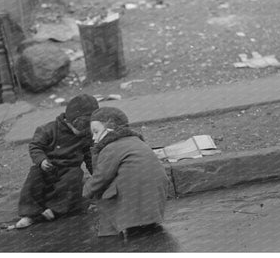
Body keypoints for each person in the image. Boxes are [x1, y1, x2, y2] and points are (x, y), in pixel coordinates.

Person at [83, 107, 170, 238]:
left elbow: (101, 177)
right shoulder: (135, 142)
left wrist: (84, 193)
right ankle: (147, 225)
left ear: (110, 129)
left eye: (96, 132)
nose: (94, 138)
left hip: (134, 197)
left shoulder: (112, 148)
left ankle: (121, 230)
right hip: (152, 199)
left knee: (104, 192)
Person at [15, 94, 99, 229]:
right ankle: (28, 213)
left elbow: (89, 156)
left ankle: (54, 209)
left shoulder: (85, 136)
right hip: (46, 168)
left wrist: (97, 174)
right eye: (81, 124)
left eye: (88, 126)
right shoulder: (48, 129)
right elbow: (35, 146)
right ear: (70, 120)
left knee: (76, 174)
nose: (84, 130)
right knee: (34, 175)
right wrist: (41, 161)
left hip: (68, 170)